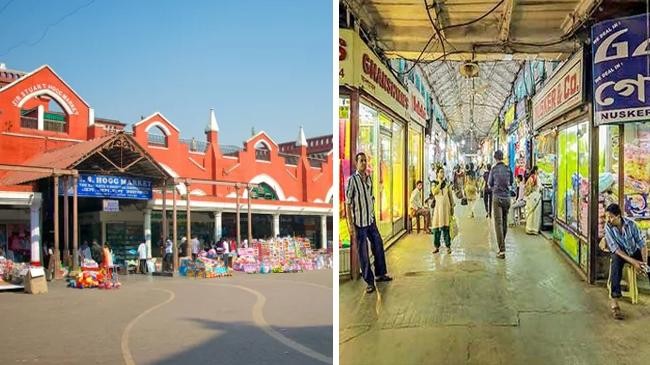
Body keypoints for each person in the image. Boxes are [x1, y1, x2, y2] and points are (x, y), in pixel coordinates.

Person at [345, 152, 392, 294]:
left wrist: (372, 214)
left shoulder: (369, 178)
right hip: (359, 223)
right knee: (363, 253)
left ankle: (380, 273)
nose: (364, 163)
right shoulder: (352, 180)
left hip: (370, 220)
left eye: (365, 161)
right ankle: (369, 282)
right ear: (356, 163)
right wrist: (350, 224)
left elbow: (370, 197)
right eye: (361, 161)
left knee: (378, 245)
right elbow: (348, 203)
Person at [602, 203, 650, 320]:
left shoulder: (631, 225)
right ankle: (615, 302)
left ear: (619, 216)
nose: (608, 219)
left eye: (611, 217)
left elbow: (642, 244)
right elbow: (616, 250)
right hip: (620, 253)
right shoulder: (608, 227)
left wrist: (644, 264)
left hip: (633, 250)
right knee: (615, 265)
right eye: (607, 217)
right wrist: (634, 262)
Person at [488, 150, 513, 259]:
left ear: (495, 158)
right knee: (504, 221)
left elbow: (489, 183)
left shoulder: (493, 170)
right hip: (507, 198)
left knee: (498, 224)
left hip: (497, 197)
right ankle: (502, 244)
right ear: (502, 158)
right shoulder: (508, 169)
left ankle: (502, 250)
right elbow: (511, 182)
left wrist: (494, 188)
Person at [431, 166, 455, 254]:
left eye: (443, 172)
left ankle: (448, 246)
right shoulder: (434, 183)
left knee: (446, 228)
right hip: (438, 209)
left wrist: (452, 207)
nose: (442, 174)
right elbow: (434, 192)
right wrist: (440, 183)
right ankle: (436, 247)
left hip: (446, 209)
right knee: (436, 228)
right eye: (440, 172)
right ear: (437, 173)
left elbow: (450, 196)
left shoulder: (447, 184)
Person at [525, 166, 542, 234]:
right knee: (536, 214)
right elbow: (538, 187)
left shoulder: (530, 177)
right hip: (536, 196)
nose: (539, 171)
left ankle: (529, 228)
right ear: (535, 171)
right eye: (538, 170)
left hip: (530, 197)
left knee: (530, 213)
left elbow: (527, 188)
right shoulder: (536, 177)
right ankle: (534, 229)